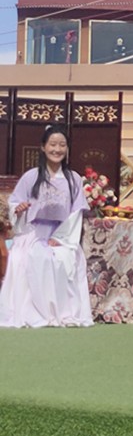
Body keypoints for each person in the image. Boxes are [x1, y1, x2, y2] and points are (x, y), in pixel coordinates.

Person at [0, 125, 93, 328]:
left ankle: (63, 313)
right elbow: (14, 204)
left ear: (67, 148)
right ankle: (33, 312)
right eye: (52, 144)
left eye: (62, 145)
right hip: (33, 233)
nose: (57, 149)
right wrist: (19, 209)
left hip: (63, 235)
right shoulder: (30, 177)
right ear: (43, 147)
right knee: (33, 257)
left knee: (64, 258)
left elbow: (76, 213)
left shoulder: (74, 179)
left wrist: (60, 238)